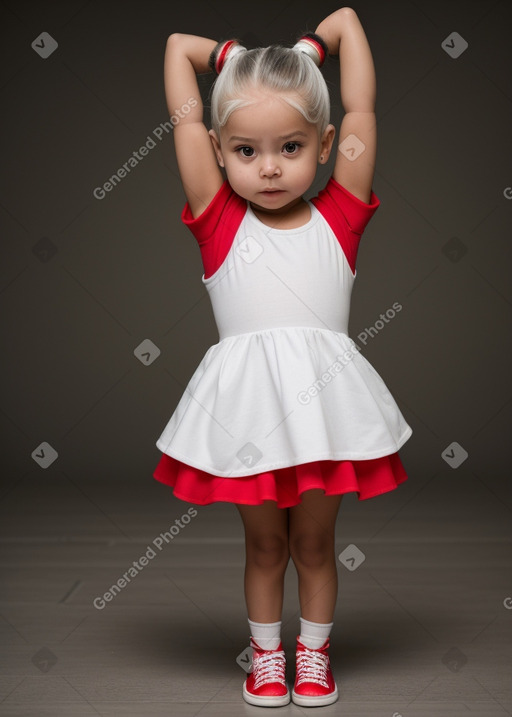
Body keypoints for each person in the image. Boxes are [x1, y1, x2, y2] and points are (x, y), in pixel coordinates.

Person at [153, 7, 413, 708]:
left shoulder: (342, 214)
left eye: (291, 146)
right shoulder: (216, 217)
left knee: (315, 547)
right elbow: (179, 50)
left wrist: (314, 44)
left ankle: (314, 656)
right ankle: (267, 659)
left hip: (325, 410)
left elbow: (355, 73)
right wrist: (235, 55)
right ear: (216, 149)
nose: (268, 166)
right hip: (251, 415)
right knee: (266, 547)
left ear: (326, 145)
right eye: (245, 150)